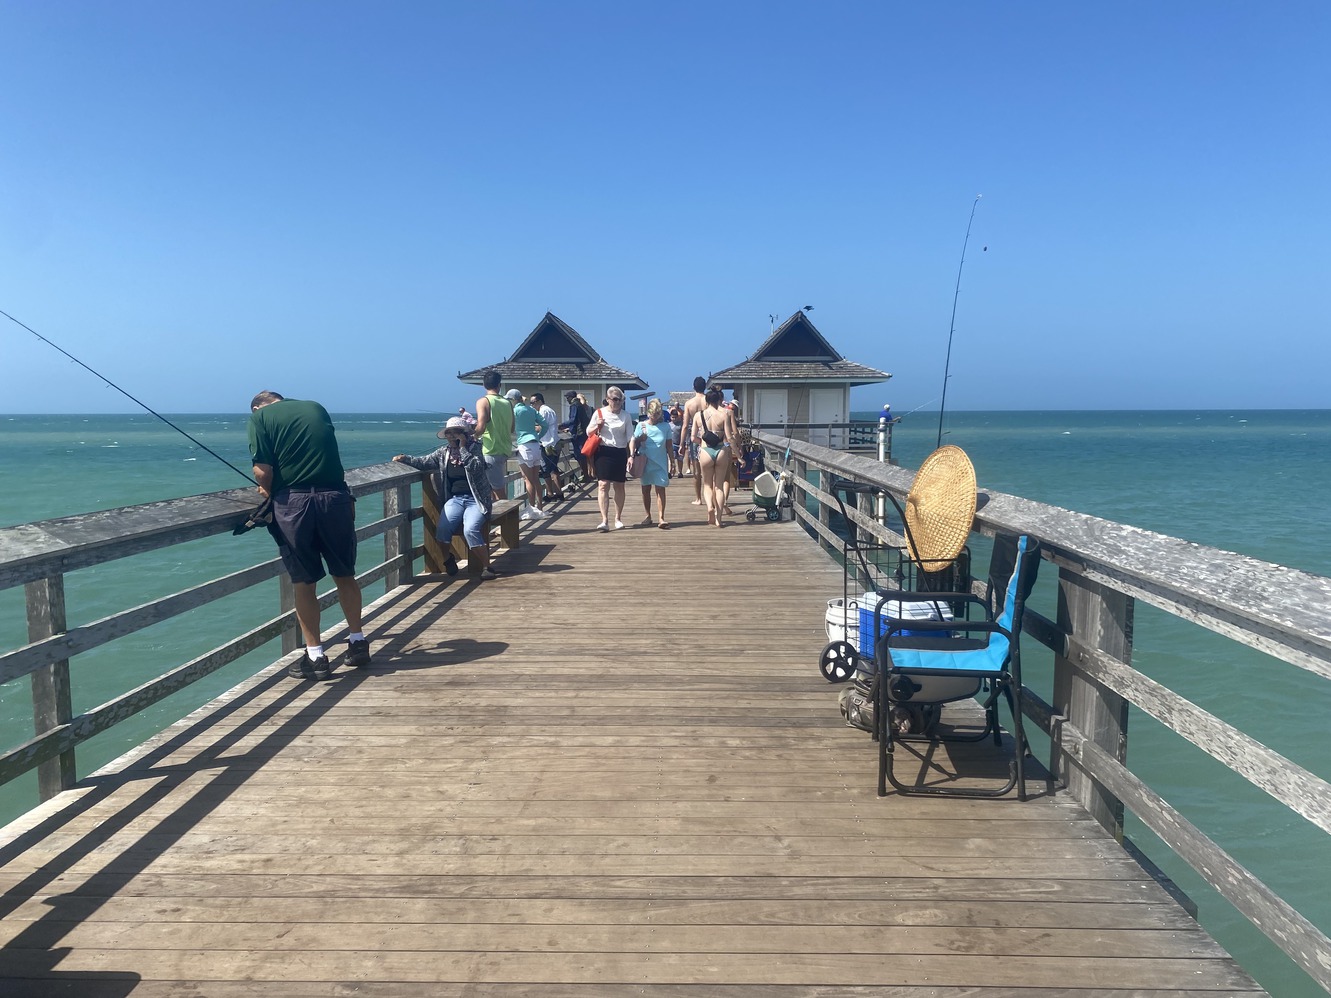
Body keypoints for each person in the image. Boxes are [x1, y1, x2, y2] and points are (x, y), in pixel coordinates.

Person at [247, 391, 370, 679]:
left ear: (256, 408)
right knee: (344, 574)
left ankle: (316, 656)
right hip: (336, 498)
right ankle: (357, 641)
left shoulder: (259, 418)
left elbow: (263, 471)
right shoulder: (317, 406)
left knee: (304, 581)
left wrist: (266, 488)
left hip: (294, 503)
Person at [393, 416, 498, 580]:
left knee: (470, 529)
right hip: (455, 499)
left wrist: (463, 448)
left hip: (476, 500)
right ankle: (447, 559)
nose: (451, 436)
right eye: (448, 433)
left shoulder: (476, 448)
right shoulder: (444, 453)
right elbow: (424, 462)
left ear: (464, 434)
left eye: (455, 433)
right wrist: (405, 458)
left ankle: (487, 567)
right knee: (443, 529)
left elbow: (476, 467)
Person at [688, 387, 742, 527]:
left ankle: (709, 508)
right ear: (719, 400)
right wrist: (739, 456)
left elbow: (693, 437)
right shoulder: (724, 415)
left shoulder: (698, 416)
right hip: (721, 451)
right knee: (718, 486)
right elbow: (729, 438)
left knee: (707, 484)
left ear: (707, 400)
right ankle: (719, 518)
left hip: (706, 451)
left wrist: (703, 442)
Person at [585, 386, 634, 531]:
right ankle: (604, 520)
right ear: (608, 400)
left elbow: (630, 436)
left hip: (619, 452)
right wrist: (597, 426)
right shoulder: (599, 413)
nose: (618, 402)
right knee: (603, 484)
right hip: (603, 451)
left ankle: (618, 518)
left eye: (621, 399)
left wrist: (631, 455)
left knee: (619, 485)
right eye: (615, 399)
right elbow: (588, 432)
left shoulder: (626, 416)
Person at [628, 398, 671, 528]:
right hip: (645, 461)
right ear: (648, 413)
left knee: (660, 489)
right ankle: (648, 515)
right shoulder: (641, 425)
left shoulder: (665, 426)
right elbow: (633, 441)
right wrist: (631, 455)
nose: (654, 417)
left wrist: (673, 463)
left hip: (660, 462)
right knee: (645, 489)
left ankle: (661, 518)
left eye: (657, 414)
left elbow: (669, 446)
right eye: (652, 414)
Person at [473, 371, 514, 501]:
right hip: (505, 449)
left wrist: (471, 436)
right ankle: (494, 519)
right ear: (499, 385)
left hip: (490, 450)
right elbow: (512, 428)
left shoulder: (483, 401)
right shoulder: (507, 403)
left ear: (484, 385)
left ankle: (510, 518)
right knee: (491, 490)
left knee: (499, 491)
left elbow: (481, 426)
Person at [508, 388, 547, 520]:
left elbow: (509, 426)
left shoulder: (514, 411)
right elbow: (545, 425)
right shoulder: (531, 409)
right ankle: (540, 507)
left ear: (514, 400)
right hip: (536, 444)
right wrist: (538, 436)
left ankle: (530, 509)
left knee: (528, 480)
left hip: (524, 445)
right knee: (536, 479)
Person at [677, 376, 708, 508]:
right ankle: (710, 496)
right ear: (705, 386)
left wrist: (681, 444)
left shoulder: (689, 404)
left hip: (695, 438)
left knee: (697, 471)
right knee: (709, 469)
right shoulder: (709, 400)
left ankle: (698, 498)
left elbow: (684, 426)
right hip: (708, 438)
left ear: (694, 387)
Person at [531, 392, 565, 502]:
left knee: (546, 470)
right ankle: (559, 493)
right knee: (554, 469)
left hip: (547, 444)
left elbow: (541, 427)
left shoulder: (543, 411)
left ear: (539, 401)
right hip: (554, 443)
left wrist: (529, 427)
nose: (532, 405)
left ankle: (550, 493)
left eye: (533, 403)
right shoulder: (550, 410)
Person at [560, 390, 593, 484]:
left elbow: (573, 419)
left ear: (571, 397)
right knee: (582, 455)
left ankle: (586, 476)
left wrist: (562, 425)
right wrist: (569, 428)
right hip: (582, 433)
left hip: (578, 434)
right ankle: (586, 475)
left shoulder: (574, 405)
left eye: (567, 398)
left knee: (579, 455)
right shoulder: (580, 405)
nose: (567, 400)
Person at [667, 404, 684, 479]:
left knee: (680, 459)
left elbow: (684, 434)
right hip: (672, 444)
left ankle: (680, 472)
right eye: (672, 417)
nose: (673, 419)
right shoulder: (668, 425)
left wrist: (683, 443)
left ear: (677, 417)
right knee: (671, 459)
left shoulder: (681, 424)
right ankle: (670, 471)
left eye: (675, 417)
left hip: (679, 444)